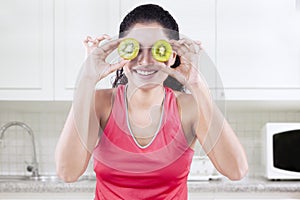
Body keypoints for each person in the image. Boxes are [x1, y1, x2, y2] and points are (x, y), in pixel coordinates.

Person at [55, 4, 248, 200]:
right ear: (122, 53)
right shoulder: (100, 103)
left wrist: (198, 84)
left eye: (157, 50)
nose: (145, 61)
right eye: (134, 49)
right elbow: (67, 172)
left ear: (172, 55)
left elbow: (236, 170)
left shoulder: (190, 108)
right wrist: (86, 80)